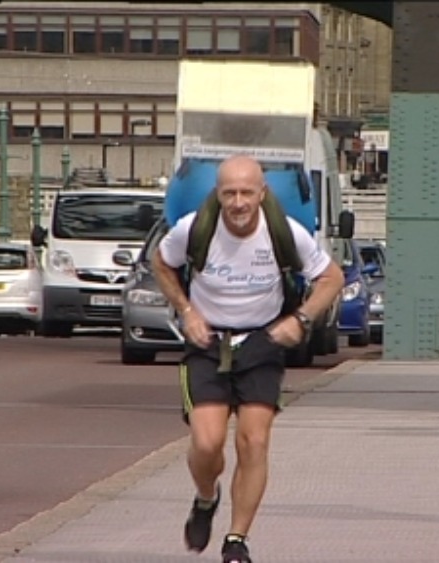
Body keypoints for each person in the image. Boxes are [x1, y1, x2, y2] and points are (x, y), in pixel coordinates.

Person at [151, 154, 344, 563]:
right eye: (229, 194)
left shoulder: (284, 233)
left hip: (261, 343)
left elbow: (332, 278)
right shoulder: (195, 229)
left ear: (262, 193)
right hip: (207, 342)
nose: (238, 203)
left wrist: (300, 320)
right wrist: (187, 311)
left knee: (253, 441)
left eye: (246, 193)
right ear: (217, 194)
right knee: (208, 444)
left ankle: (237, 540)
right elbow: (161, 264)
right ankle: (207, 497)